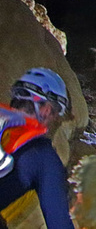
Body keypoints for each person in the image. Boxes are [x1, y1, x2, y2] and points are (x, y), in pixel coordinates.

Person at [0, 68, 75, 229]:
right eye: (56, 114)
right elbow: (59, 225)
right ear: (47, 110)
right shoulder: (43, 156)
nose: (54, 120)